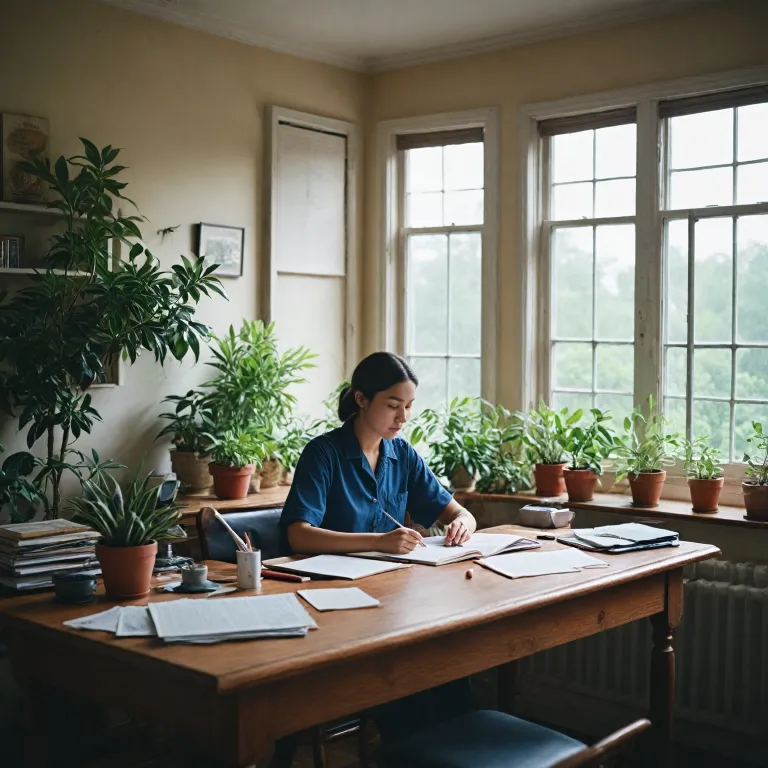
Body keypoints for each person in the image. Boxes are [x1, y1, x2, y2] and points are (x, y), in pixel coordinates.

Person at [280, 351, 477, 746]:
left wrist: (463, 523)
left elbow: (459, 512)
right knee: (405, 672)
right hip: (333, 603)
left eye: (409, 406)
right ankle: (414, 752)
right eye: (393, 405)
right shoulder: (323, 453)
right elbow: (298, 534)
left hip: (390, 598)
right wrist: (379, 541)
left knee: (451, 660)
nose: (403, 417)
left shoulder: (402, 454)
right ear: (361, 399)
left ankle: (458, 750)